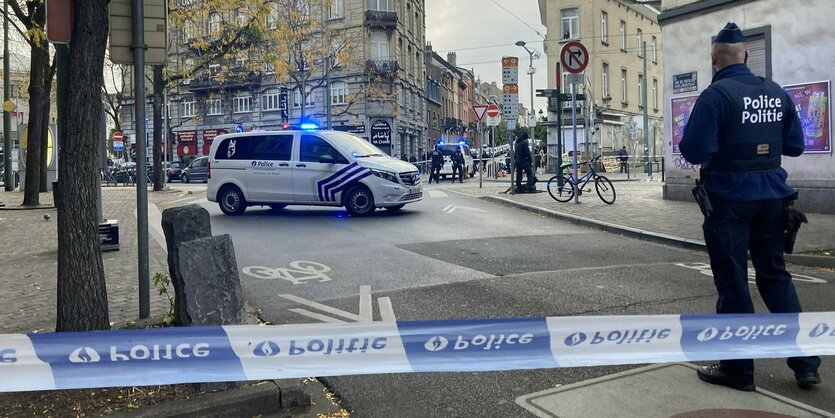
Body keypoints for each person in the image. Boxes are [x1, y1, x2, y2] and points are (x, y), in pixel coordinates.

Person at [680, 22, 820, 392]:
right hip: (774, 199)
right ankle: (806, 363)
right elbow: (795, 146)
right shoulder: (776, 93)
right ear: (745, 55)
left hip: (729, 203)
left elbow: (695, 151)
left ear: (714, 59)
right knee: (775, 277)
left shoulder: (714, 97)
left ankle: (738, 370)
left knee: (734, 283)